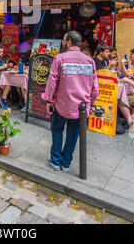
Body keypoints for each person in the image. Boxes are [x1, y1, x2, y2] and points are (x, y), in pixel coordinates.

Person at [42, 31, 98, 172]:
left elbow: (52, 81)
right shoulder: (89, 60)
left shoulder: (60, 58)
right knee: (73, 134)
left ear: (69, 42)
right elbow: (94, 87)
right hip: (81, 106)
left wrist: (49, 99)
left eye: (64, 40)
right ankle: (66, 163)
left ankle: (55, 160)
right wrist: (92, 102)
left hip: (62, 103)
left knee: (57, 129)